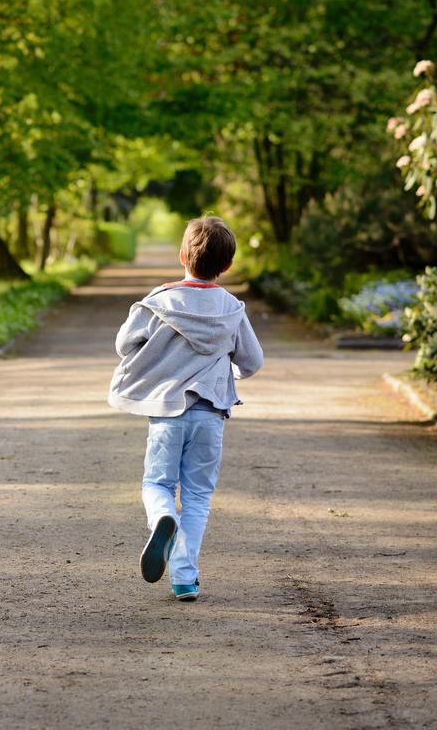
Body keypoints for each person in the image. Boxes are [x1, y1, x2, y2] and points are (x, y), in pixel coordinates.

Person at [107, 215, 263, 602]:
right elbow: (252, 361)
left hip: (166, 411)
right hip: (210, 415)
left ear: (182, 256)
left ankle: (163, 516)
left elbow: (124, 345)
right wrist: (229, 371)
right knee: (197, 495)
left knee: (158, 483)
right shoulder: (231, 308)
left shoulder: (157, 302)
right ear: (226, 266)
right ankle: (184, 578)